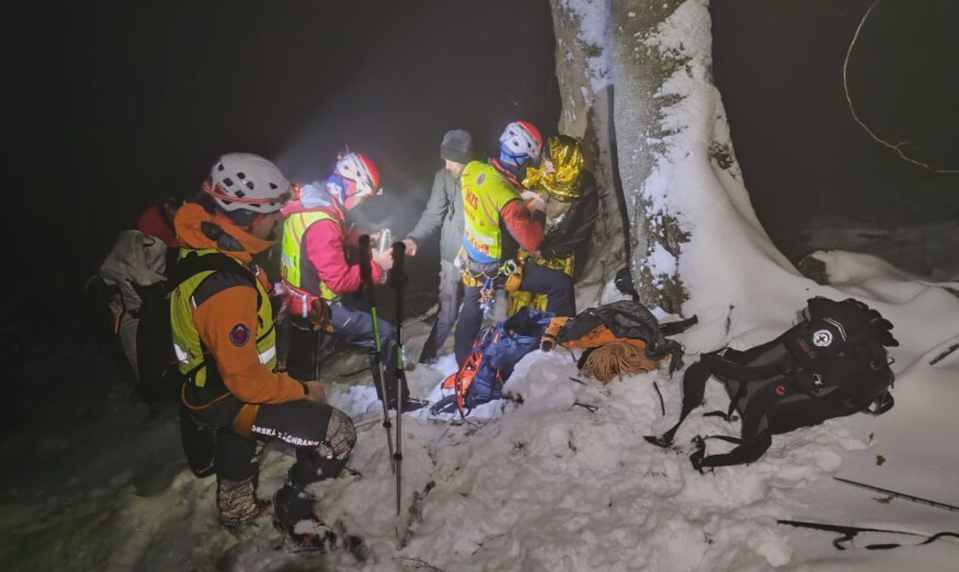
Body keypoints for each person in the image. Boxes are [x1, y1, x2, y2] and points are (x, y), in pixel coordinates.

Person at [169, 152, 355, 544]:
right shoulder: (227, 285)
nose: (279, 218)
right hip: (227, 394)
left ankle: (237, 508)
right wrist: (304, 390)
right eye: (273, 212)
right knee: (338, 432)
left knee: (245, 433)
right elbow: (248, 385)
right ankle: (295, 511)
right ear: (248, 215)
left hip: (207, 386)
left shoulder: (204, 243)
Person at [278, 151, 428, 411]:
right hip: (316, 306)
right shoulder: (323, 222)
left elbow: (325, 239)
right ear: (347, 186)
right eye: (361, 195)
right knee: (383, 334)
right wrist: (378, 267)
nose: (360, 203)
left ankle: (294, 414)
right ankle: (396, 402)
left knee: (303, 365)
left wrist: (364, 236)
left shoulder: (312, 202)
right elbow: (340, 282)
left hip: (299, 298)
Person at [454, 121, 576, 365]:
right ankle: (558, 342)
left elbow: (490, 191)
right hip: (498, 268)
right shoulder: (508, 199)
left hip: (470, 259)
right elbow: (532, 241)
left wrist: (518, 196)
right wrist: (538, 209)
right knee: (559, 284)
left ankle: (462, 365)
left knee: (471, 311)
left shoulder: (472, 170)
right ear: (522, 158)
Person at [403, 129, 474, 364]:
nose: (448, 164)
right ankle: (427, 358)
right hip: (450, 254)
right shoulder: (443, 176)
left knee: (475, 309)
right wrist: (415, 238)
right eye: (445, 158)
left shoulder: (483, 175)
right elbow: (433, 213)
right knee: (447, 311)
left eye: (452, 160)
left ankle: (467, 360)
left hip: (478, 256)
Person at [507, 135, 598, 314]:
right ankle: (520, 338)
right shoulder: (538, 177)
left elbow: (583, 229)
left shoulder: (584, 186)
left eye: (549, 161)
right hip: (529, 252)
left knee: (551, 308)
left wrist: (550, 251)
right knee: (522, 307)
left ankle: (549, 339)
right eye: (545, 159)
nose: (545, 164)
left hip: (557, 256)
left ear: (563, 161)